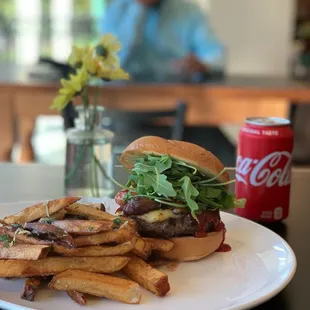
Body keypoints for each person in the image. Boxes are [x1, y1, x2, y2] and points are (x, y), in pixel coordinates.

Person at [100, 0, 224, 82]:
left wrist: (201, 65)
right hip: (128, 99)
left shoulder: (188, 11)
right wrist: (138, 10)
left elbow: (216, 56)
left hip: (179, 93)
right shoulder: (114, 11)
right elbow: (112, 64)